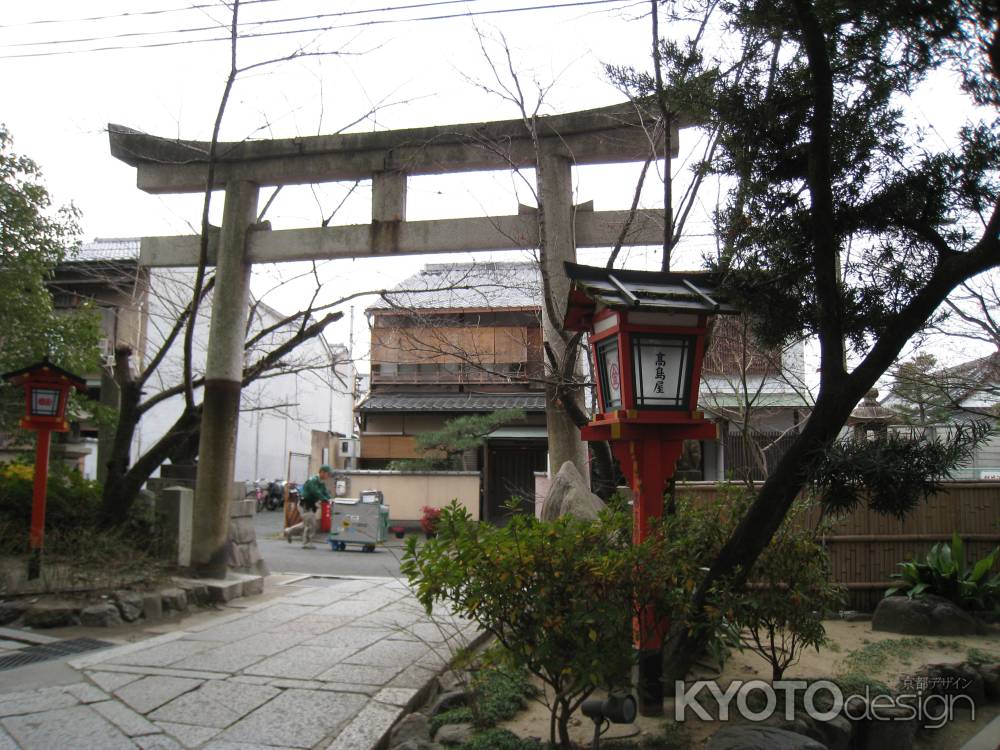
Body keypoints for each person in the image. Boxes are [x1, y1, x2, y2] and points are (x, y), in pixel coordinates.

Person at [283, 465, 333, 549]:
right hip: (305, 505)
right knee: (311, 523)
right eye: (328, 474)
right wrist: (325, 499)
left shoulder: (321, 482)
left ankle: (289, 531)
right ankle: (306, 543)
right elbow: (316, 492)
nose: (329, 476)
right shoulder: (313, 481)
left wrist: (329, 499)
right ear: (322, 472)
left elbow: (325, 492)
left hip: (311, 505)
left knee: (305, 524)